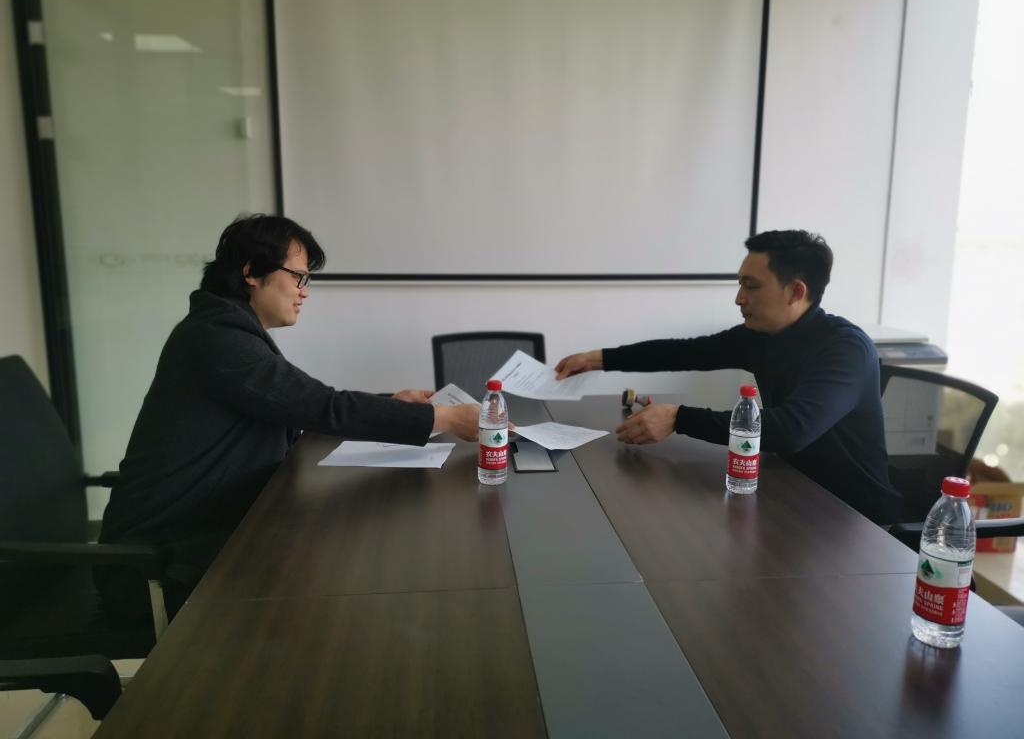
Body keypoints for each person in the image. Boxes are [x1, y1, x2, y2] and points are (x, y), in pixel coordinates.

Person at [97, 214, 479, 618]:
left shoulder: (225, 327)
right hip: (159, 566)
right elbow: (320, 406)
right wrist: (447, 419)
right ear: (251, 272)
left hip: (206, 533)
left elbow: (295, 404)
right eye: (298, 277)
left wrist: (395, 403)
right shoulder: (218, 338)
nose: (304, 291)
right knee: (340, 585)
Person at [555, 230, 900, 525]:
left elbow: (792, 430)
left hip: (853, 518)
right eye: (740, 284)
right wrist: (597, 359)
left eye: (751, 286)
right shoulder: (761, 336)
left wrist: (678, 417)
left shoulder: (846, 349)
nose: (739, 298)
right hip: (790, 492)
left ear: (795, 292)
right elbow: (684, 352)